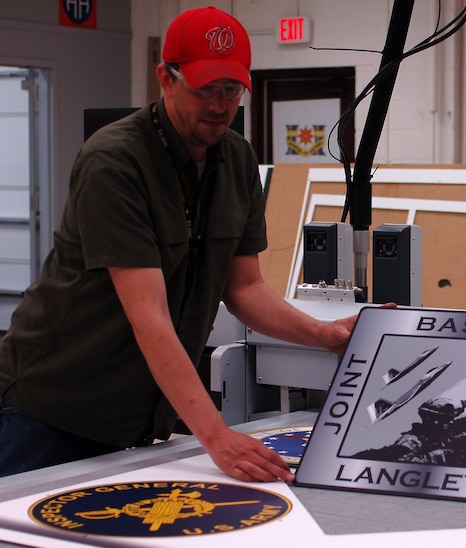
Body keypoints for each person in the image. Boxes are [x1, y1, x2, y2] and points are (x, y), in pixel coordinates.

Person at [0, 6, 364, 482]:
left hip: (132, 419)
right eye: (203, 89)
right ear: (165, 79)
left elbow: (245, 289)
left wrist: (326, 335)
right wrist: (217, 436)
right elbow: (149, 316)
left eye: (230, 90)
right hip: (49, 407)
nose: (217, 105)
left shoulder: (236, 159)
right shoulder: (114, 161)